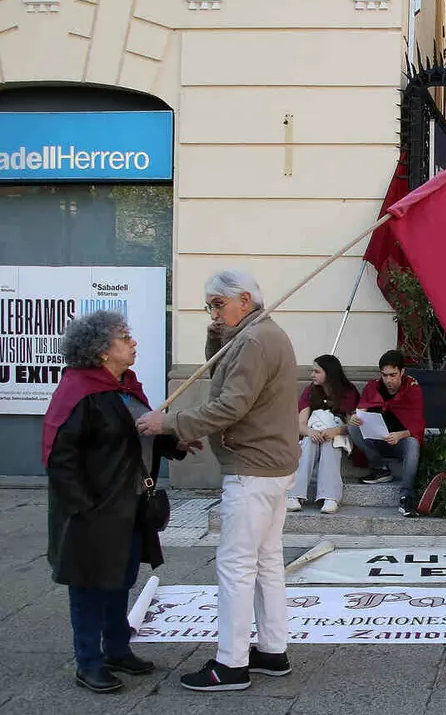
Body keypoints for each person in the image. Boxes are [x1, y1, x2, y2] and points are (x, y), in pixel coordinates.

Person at [136, 269, 300, 691]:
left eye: (218, 304)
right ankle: (272, 650)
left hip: (252, 467)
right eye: (209, 306)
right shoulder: (260, 334)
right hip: (271, 465)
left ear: (244, 299)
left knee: (236, 565)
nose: (213, 312)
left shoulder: (254, 340)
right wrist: (216, 335)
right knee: (266, 561)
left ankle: (231, 664)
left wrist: (169, 423)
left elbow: (230, 405)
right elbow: (223, 370)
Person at [44, 311, 195, 693]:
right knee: (88, 585)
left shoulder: (124, 386)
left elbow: (135, 435)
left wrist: (174, 442)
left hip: (130, 505)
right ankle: (88, 663)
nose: (133, 342)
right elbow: (60, 458)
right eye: (124, 337)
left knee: (120, 579)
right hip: (94, 509)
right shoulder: (79, 391)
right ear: (101, 351)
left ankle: (116, 649)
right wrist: (84, 509)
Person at [349, 349, 425, 518]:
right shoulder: (374, 386)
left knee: (413, 443)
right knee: (352, 428)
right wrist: (355, 417)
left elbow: (418, 426)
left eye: (393, 375)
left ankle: (406, 495)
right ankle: (381, 468)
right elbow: (362, 410)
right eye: (384, 375)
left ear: (402, 372)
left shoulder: (412, 388)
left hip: (400, 442)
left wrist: (399, 435)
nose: (388, 380)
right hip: (378, 442)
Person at [288, 354, 359, 514]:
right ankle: (294, 494)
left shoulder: (348, 391)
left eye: (317, 371)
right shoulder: (310, 391)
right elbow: (300, 424)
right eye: (312, 371)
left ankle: (330, 497)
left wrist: (334, 431)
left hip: (337, 434)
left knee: (330, 443)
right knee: (308, 442)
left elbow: (351, 425)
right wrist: (311, 432)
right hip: (314, 432)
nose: (312, 375)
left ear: (329, 373)